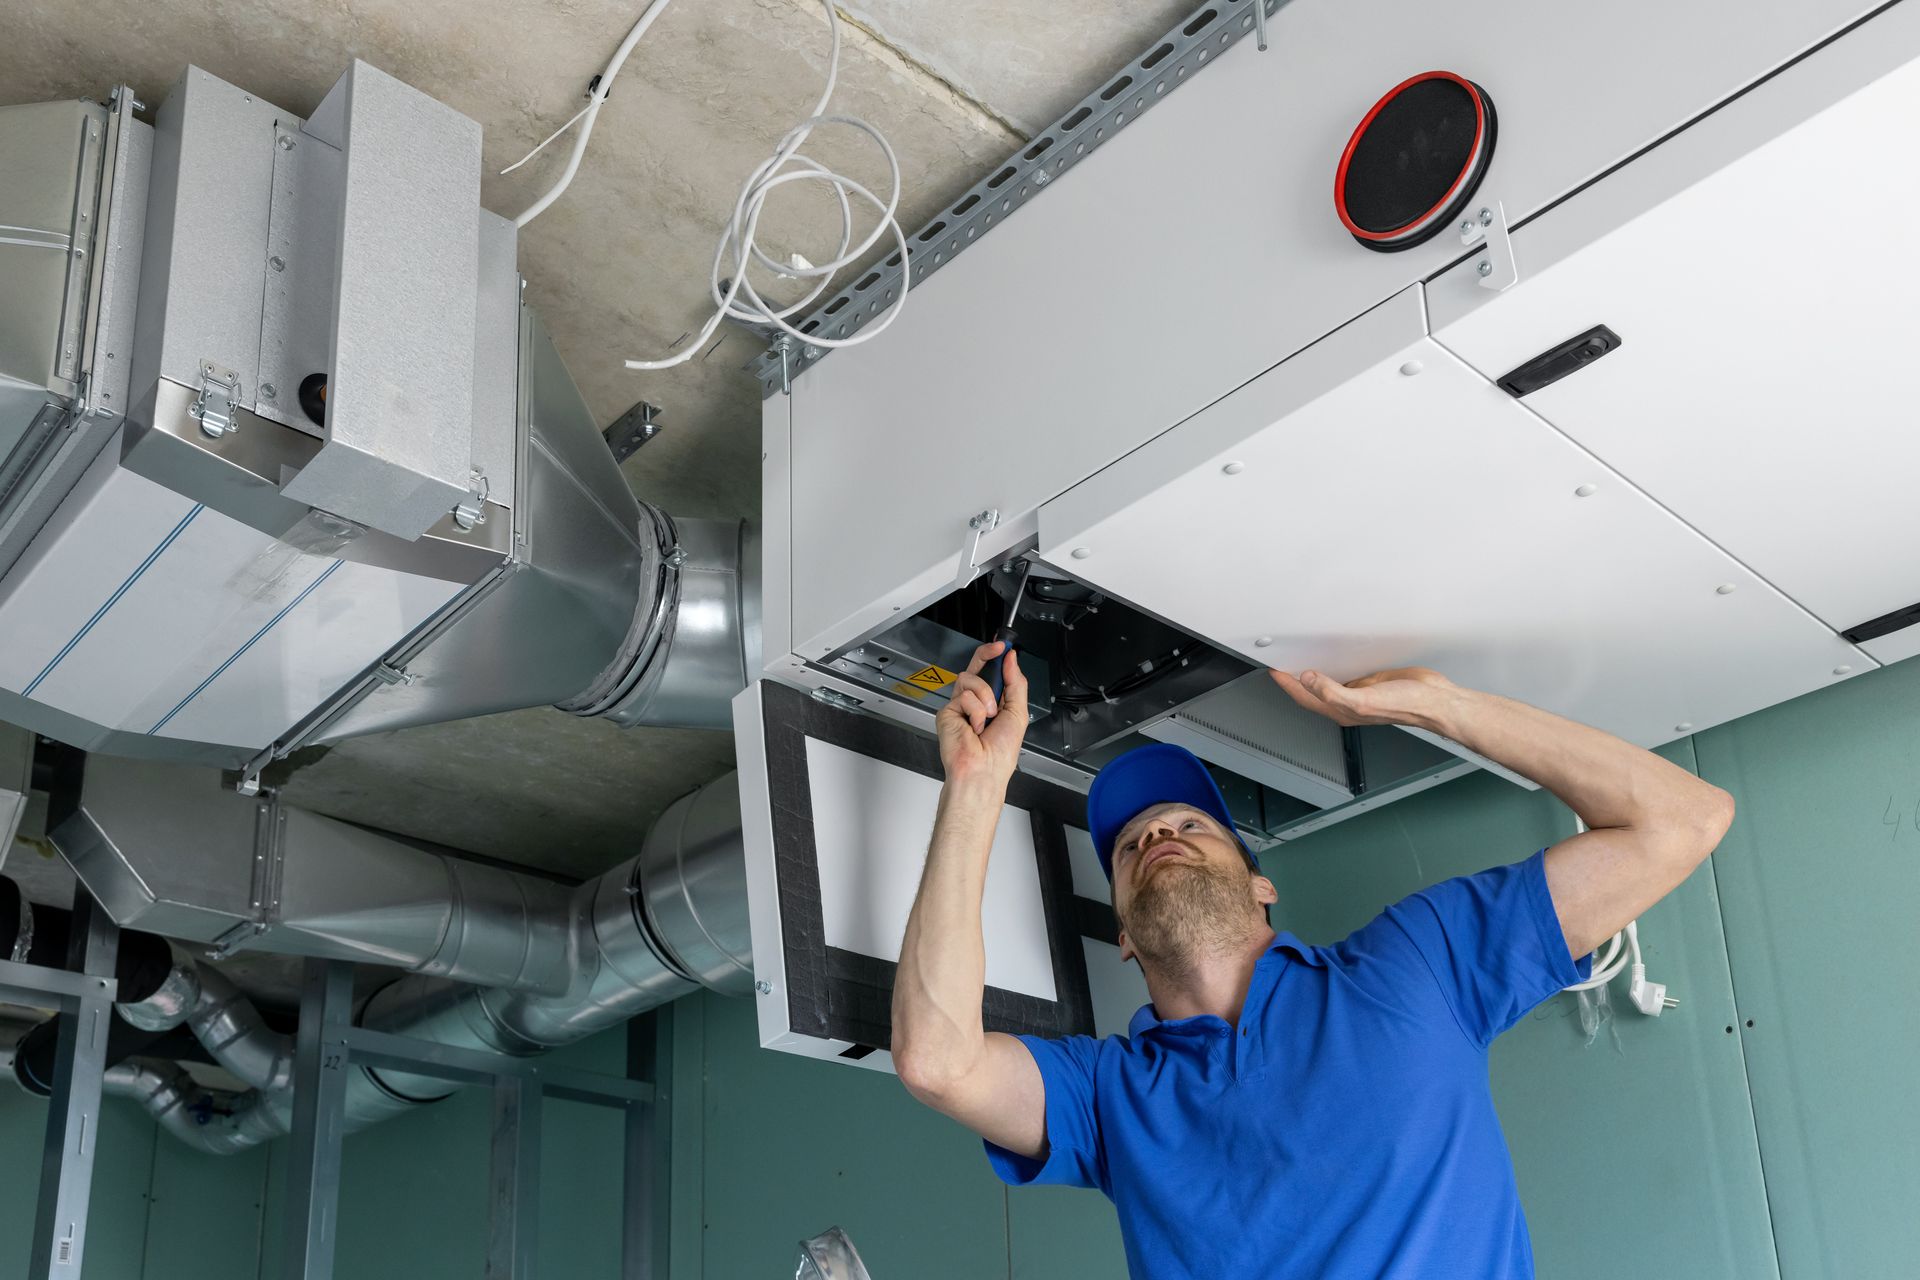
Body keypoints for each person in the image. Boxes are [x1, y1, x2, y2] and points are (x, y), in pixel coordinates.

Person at [890, 641, 1734, 1279]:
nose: (1157, 834)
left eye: (1190, 825)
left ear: (1262, 886)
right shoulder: (1108, 1099)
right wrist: (973, 784)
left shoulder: (1416, 964)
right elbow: (937, 1060)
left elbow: (1682, 820)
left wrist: (1439, 709)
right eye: (1134, 847)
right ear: (1124, 933)